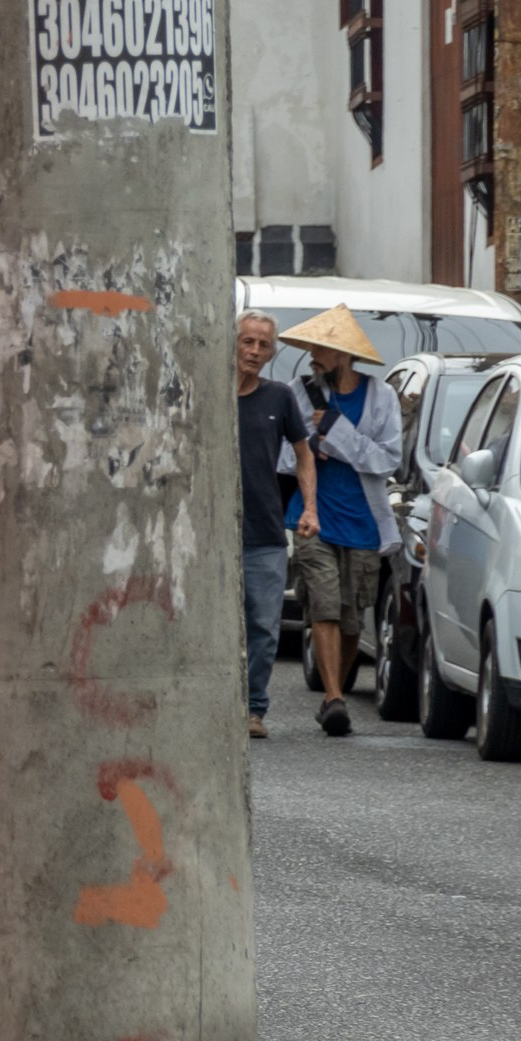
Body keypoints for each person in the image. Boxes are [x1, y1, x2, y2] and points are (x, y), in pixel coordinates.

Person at [277, 304, 403, 736]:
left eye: (322, 347)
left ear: (343, 354)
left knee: (351, 617)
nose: (313, 354)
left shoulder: (381, 397)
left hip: (365, 522)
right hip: (313, 517)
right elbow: (285, 457)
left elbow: (388, 460)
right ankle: (333, 698)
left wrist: (339, 434)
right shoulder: (300, 392)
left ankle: (337, 691)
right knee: (325, 604)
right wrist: (314, 441)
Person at [237, 312, 318, 739]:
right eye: (246, 342)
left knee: (264, 626)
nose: (253, 351)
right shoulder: (209, 393)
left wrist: (309, 508)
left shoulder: (279, 397)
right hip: (211, 538)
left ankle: (253, 708)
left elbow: (304, 453)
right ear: (232, 344)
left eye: (262, 345)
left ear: (272, 352)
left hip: (265, 532)